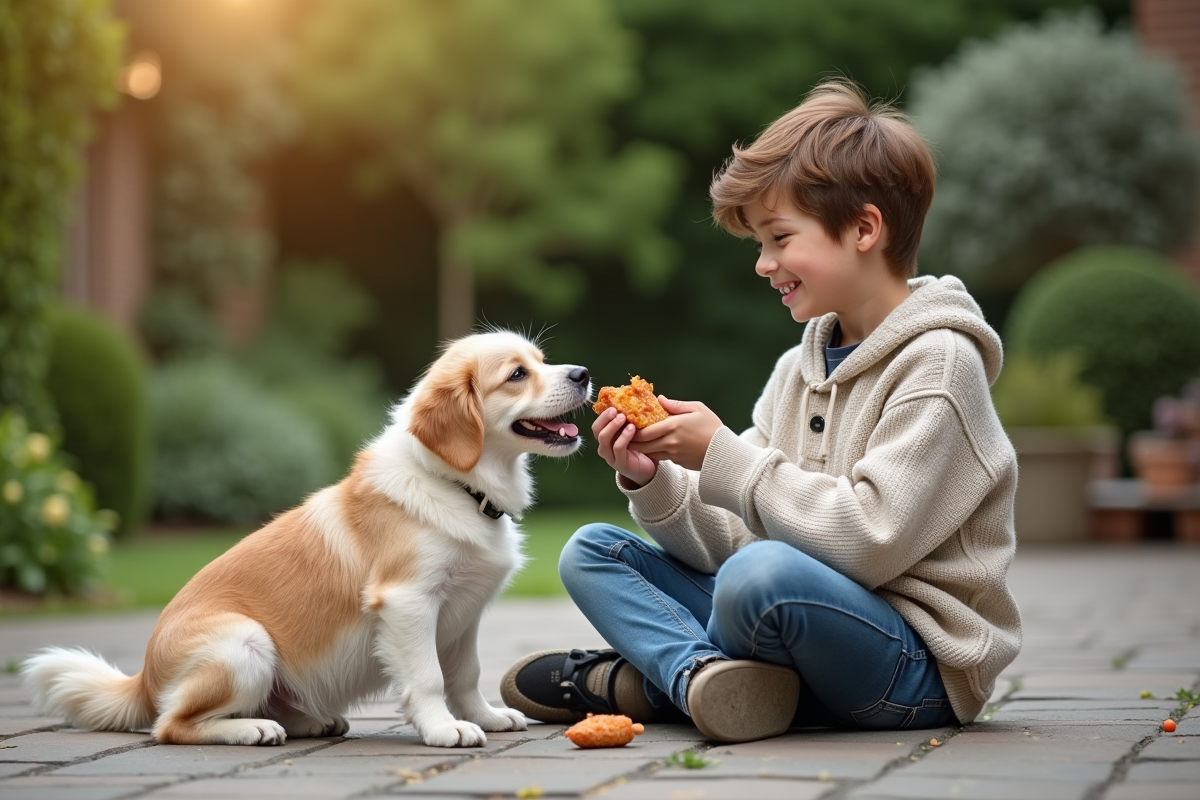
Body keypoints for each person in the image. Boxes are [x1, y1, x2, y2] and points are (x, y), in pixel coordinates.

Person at [500, 80, 1021, 743]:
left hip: (911, 667)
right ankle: (702, 680)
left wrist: (725, 455)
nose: (763, 263)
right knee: (593, 551)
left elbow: (871, 542)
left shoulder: (940, 365)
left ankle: (649, 682)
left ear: (865, 229)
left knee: (758, 577)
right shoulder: (796, 370)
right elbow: (737, 536)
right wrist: (653, 479)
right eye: (758, 244)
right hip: (792, 624)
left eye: (778, 237)